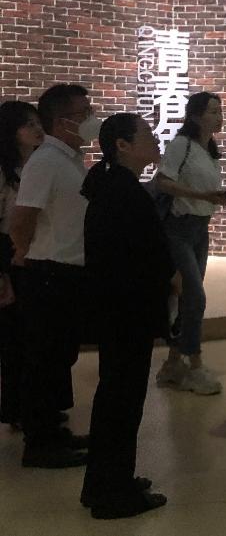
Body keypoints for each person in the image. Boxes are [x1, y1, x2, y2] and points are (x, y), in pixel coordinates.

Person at [79, 114, 172, 519]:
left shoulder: (112, 185)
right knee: (122, 401)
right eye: (147, 135)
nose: (155, 139)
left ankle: (104, 482)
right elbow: (138, 255)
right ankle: (113, 494)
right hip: (126, 310)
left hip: (119, 309)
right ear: (122, 145)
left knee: (115, 397)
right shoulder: (122, 191)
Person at [10, 84, 99, 468]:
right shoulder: (46, 160)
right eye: (84, 113)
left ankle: (52, 430)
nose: (91, 119)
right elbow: (22, 218)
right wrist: (25, 256)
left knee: (58, 357)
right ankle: (40, 443)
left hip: (66, 272)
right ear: (63, 121)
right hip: (48, 272)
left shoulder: (69, 158)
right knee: (44, 360)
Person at [153, 92, 226, 395]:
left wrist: (215, 198)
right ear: (196, 116)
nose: (219, 116)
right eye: (213, 111)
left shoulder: (209, 150)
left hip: (201, 228)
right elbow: (163, 181)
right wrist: (202, 196)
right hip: (178, 228)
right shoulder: (181, 145)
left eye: (220, 111)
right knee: (195, 296)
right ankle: (195, 365)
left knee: (189, 297)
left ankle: (173, 363)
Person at [0, 101, 45, 428]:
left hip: (38, 255)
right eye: (28, 124)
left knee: (36, 336)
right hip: (11, 255)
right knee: (15, 338)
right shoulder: (5, 172)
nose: (37, 129)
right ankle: (16, 408)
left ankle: (34, 406)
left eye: (37, 122)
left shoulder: (39, 165)